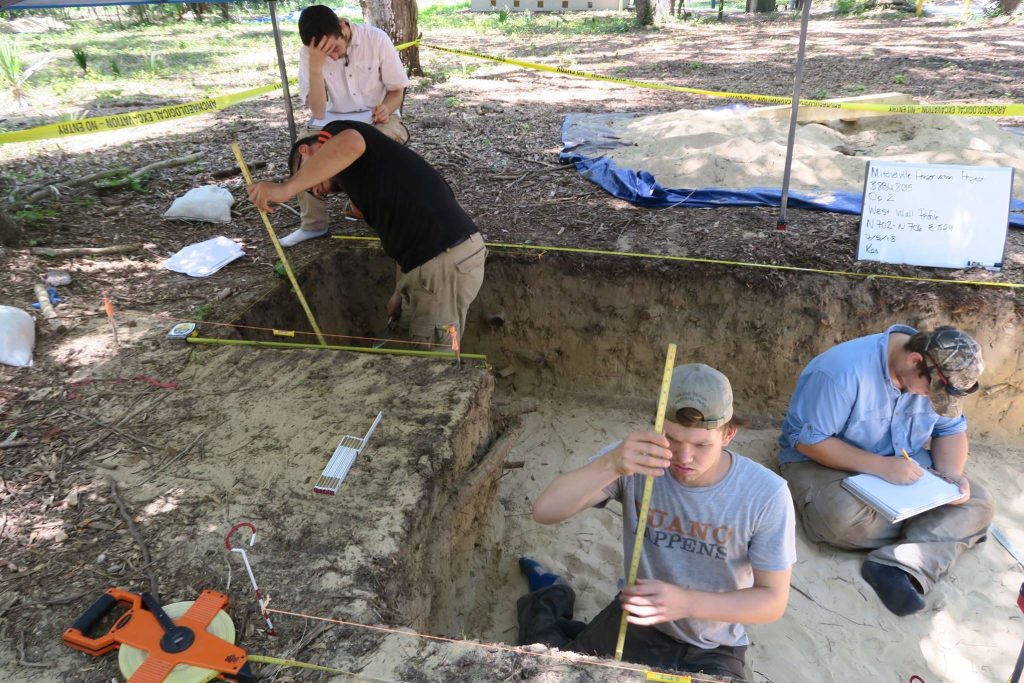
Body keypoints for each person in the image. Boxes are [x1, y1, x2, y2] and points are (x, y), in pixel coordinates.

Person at [518, 364, 796, 681]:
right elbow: (544, 511)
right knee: (544, 672)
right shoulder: (636, 461)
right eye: (671, 438)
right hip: (635, 620)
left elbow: (772, 601)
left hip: (711, 646)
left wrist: (687, 603)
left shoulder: (766, 495)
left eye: (701, 445)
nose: (683, 457)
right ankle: (551, 595)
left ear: (729, 434)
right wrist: (610, 464)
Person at [778, 325, 995, 617]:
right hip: (826, 464)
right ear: (915, 361)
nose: (931, 400)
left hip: (903, 470)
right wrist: (880, 466)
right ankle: (935, 535)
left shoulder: (934, 376)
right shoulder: (842, 372)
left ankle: (896, 564)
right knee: (839, 519)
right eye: (930, 392)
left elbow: (952, 430)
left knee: (977, 502)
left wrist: (951, 475)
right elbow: (809, 441)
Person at [246, 120, 485, 347]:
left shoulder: (337, 132)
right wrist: (398, 290)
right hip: (438, 263)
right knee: (415, 343)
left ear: (306, 150)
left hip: (443, 262)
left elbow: (352, 143)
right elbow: (401, 236)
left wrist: (286, 188)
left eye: (307, 181)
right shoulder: (373, 180)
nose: (315, 189)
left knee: (435, 360)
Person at [291, 5, 411, 247]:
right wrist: (316, 66)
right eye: (326, 55)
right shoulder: (309, 53)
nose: (333, 57)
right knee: (301, 152)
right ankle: (313, 225)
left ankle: (376, 214)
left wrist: (387, 107)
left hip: (378, 118)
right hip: (330, 119)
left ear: (343, 27)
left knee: (378, 152)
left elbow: (397, 90)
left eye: (334, 48)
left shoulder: (375, 39)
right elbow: (317, 110)